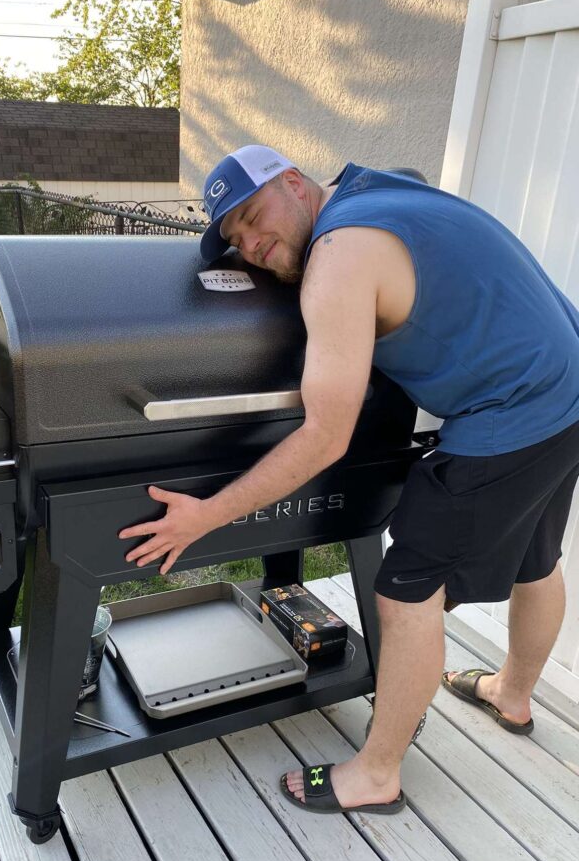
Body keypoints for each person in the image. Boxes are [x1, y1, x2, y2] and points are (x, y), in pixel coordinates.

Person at [118, 144, 579, 815]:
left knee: (406, 592)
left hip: (516, 408)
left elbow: (323, 436)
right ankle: (512, 694)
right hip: (568, 375)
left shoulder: (337, 259)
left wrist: (208, 515)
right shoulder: (375, 188)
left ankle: (376, 773)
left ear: (295, 184)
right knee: (537, 556)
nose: (250, 243)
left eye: (253, 215)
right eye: (235, 240)